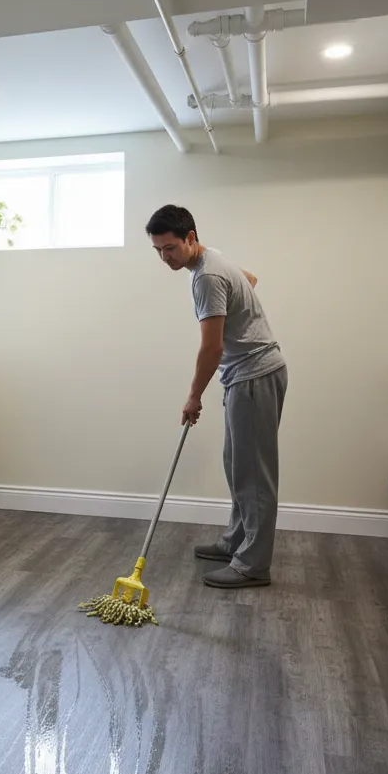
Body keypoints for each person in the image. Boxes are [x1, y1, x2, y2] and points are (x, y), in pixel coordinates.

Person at [145, 204, 288, 589]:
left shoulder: (206, 275)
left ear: (190, 238)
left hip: (254, 375)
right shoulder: (213, 259)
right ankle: (236, 541)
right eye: (158, 250)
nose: (165, 257)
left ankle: (253, 564)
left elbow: (212, 350)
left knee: (254, 474)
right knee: (237, 464)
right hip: (248, 375)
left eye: (170, 248)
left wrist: (194, 397)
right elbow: (251, 280)